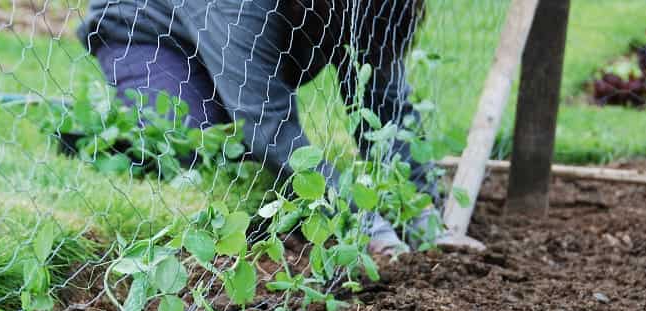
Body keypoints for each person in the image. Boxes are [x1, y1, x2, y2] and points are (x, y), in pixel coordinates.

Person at [78, 0, 433, 252]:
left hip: (239, 38)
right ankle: (79, 120)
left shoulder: (361, 6)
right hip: (152, 34)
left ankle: (229, 96)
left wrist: (423, 209)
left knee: (241, 129)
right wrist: (363, 219)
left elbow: (382, 92)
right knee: (189, 143)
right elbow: (269, 129)